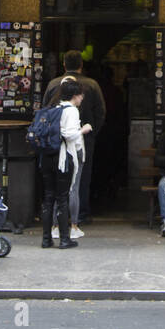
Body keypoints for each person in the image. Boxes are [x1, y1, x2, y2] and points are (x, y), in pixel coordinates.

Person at [42, 50, 106, 224]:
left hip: (57, 140)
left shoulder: (53, 84)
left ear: (64, 64)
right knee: (81, 177)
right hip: (82, 139)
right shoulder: (92, 84)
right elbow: (100, 113)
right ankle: (80, 215)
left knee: (58, 178)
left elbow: (45, 112)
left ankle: (58, 218)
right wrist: (92, 133)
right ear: (81, 65)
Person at [41, 78, 90, 249]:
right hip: (62, 157)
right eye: (81, 95)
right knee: (62, 197)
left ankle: (46, 239)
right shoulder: (71, 111)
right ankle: (64, 239)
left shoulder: (54, 108)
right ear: (75, 95)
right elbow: (69, 135)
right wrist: (83, 129)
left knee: (48, 197)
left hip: (47, 157)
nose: (82, 98)